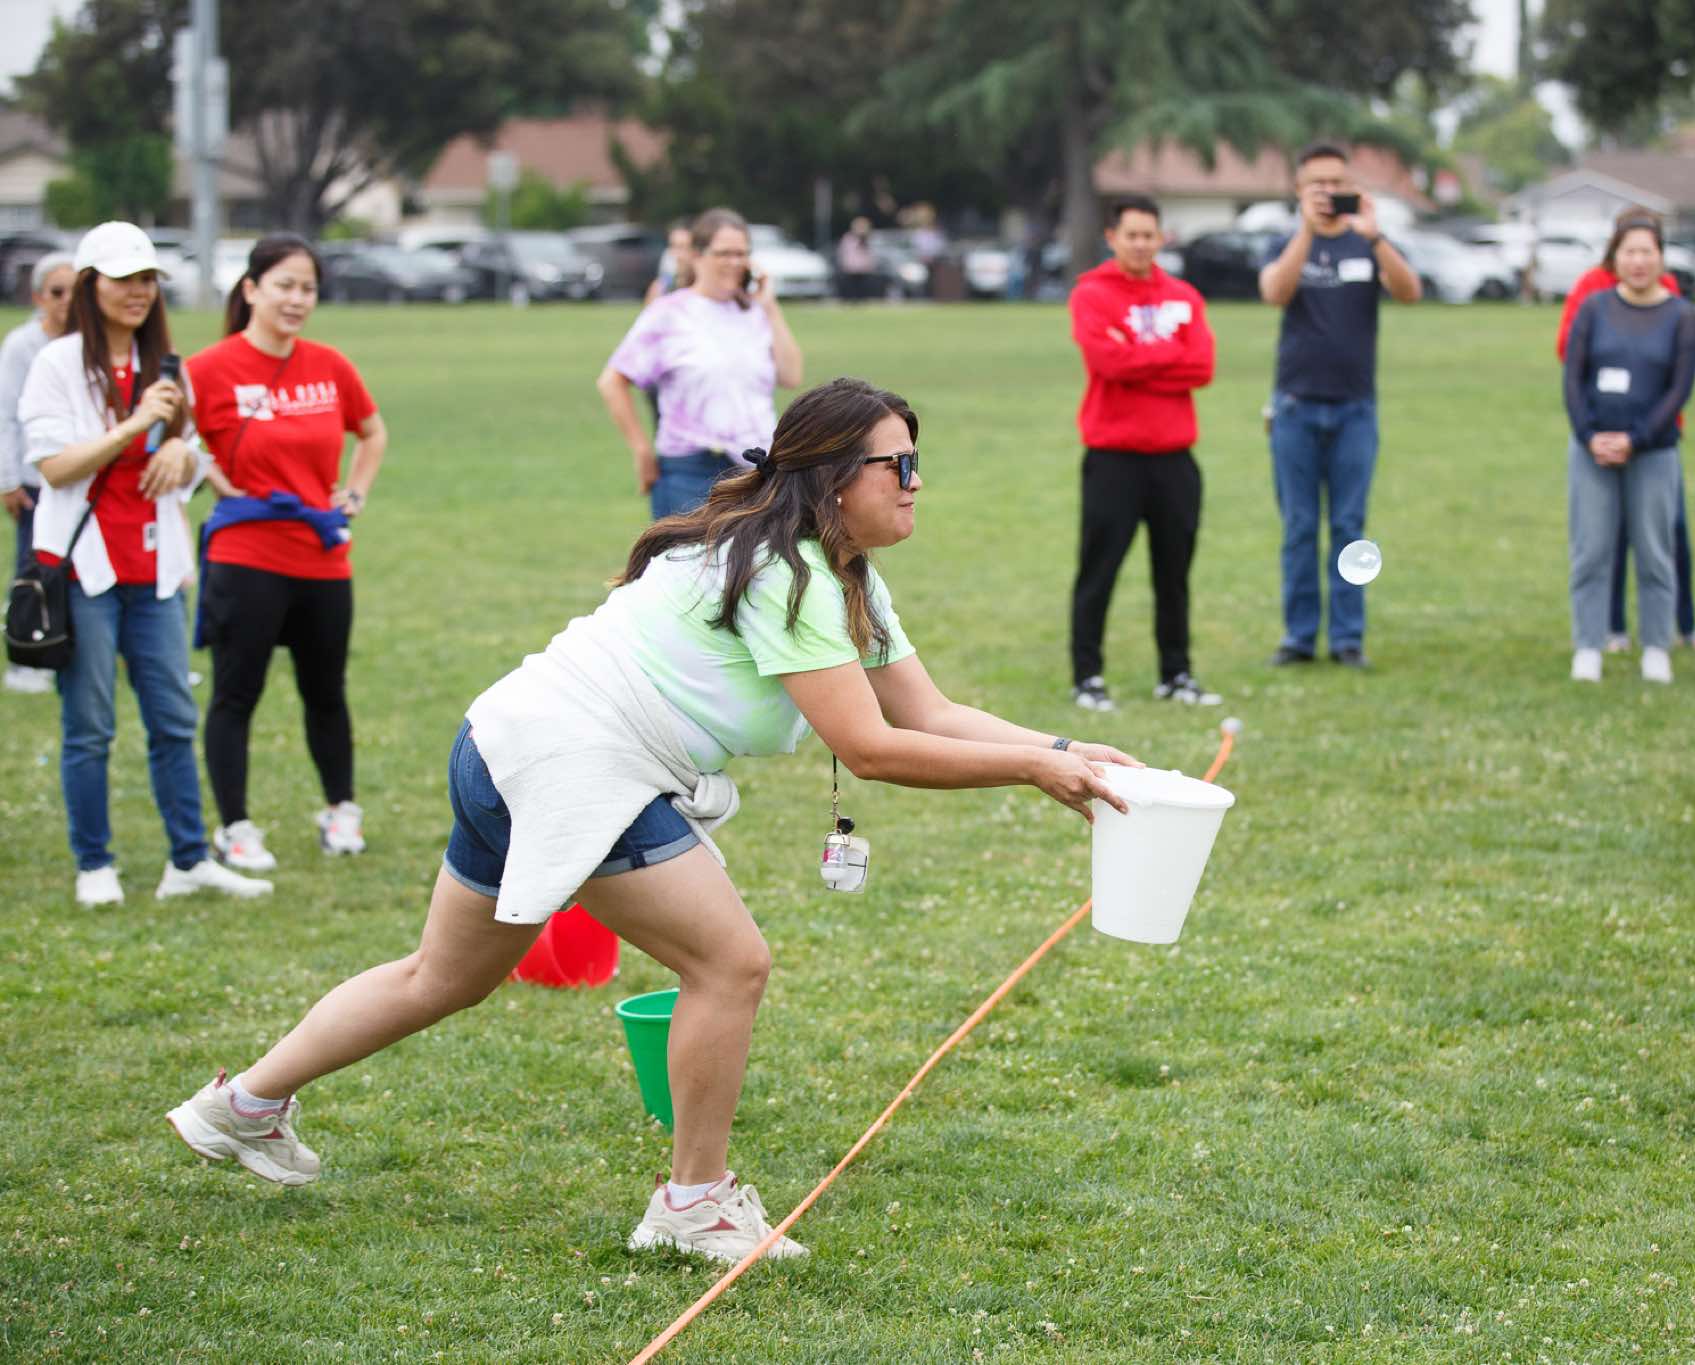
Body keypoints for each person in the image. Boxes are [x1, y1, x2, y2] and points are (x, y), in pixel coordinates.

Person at [165, 377, 1139, 1262]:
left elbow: (924, 710)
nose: (918, 484)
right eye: (901, 464)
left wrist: (1061, 749)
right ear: (836, 478)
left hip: (499, 740)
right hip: (577, 765)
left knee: (443, 977)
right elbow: (874, 748)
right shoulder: (788, 574)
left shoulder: (831, 569)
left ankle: (242, 1104)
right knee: (730, 963)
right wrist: (1030, 769)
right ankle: (693, 1203)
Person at [18, 221, 272, 906]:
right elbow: (53, 467)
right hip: (84, 571)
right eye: (123, 279)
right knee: (90, 725)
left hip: (157, 569)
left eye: (148, 279)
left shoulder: (166, 367)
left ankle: (188, 860)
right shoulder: (57, 364)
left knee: (173, 719)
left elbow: (187, 463)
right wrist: (134, 426)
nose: (139, 291)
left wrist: (183, 453)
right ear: (90, 285)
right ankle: (94, 863)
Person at [188, 234, 388, 871]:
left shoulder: (329, 365)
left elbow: (372, 431)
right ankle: (235, 827)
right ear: (251, 289)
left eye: (308, 288)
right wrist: (206, 471)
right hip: (245, 555)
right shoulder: (208, 369)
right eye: (284, 286)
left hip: (322, 557)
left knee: (326, 692)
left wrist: (355, 492)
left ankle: (341, 810)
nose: (297, 299)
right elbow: (168, 441)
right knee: (236, 694)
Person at [1258, 143, 1421, 670]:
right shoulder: (1286, 243)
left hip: (1355, 409)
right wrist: (1306, 232)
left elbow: (1410, 292)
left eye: (1337, 182)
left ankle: (1348, 637)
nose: (1328, 191)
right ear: (1299, 190)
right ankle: (1299, 636)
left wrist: (1374, 236)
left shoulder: (1366, 243)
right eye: (1317, 184)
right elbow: (1275, 292)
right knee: (1300, 527)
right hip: (1295, 407)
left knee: (1351, 527)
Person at [1065, 195, 1219, 711]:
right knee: (1099, 569)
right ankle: (1088, 677)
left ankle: (1176, 674)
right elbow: (1106, 363)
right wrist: (1166, 355)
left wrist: (1136, 356)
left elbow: (1202, 367)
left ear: (1161, 238)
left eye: (1149, 235)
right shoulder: (1092, 294)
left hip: (1175, 458)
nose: (1140, 244)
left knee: (1174, 572)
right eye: (1131, 235)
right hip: (1113, 458)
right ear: (1112, 237)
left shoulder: (1183, 296)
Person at [1554, 208, 1695, 656]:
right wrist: (1593, 431)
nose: (1639, 260)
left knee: (1662, 538)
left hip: (1655, 438)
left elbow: (1678, 372)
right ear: (1615, 250)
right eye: (1630, 249)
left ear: (1660, 253)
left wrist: (1643, 432)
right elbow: (1570, 355)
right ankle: (1610, 631)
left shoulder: (1674, 302)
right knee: (1600, 540)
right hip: (1599, 434)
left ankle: (1677, 631)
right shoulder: (1593, 293)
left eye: (1648, 250)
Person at [597, 208, 803, 520]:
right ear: (697, 255)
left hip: (754, 470)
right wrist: (641, 450)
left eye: (742, 253)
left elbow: (791, 375)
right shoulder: (669, 313)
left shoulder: (755, 313)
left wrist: (770, 307)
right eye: (724, 253)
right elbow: (612, 381)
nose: (735, 262)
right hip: (691, 471)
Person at [1, 250, 75, 694]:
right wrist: (8, 478)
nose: (67, 300)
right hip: (36, 479)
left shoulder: (90, 340)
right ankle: (26, 654)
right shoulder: (22, 346)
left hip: (82, 477)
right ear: (38, 297)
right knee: (33, 566)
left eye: (75, 291)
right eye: (57, 291)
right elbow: (5, 415)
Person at [641, 219, 694, 308]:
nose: (677, 255)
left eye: (684, 247)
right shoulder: (661, 288)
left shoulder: (709, 289)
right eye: (673, 246)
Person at [835, 216, 881, 302]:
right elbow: (845, 255)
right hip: (850, 272)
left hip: (867, 272)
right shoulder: (848, 239)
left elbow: (875, 256)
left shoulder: (872, 239)